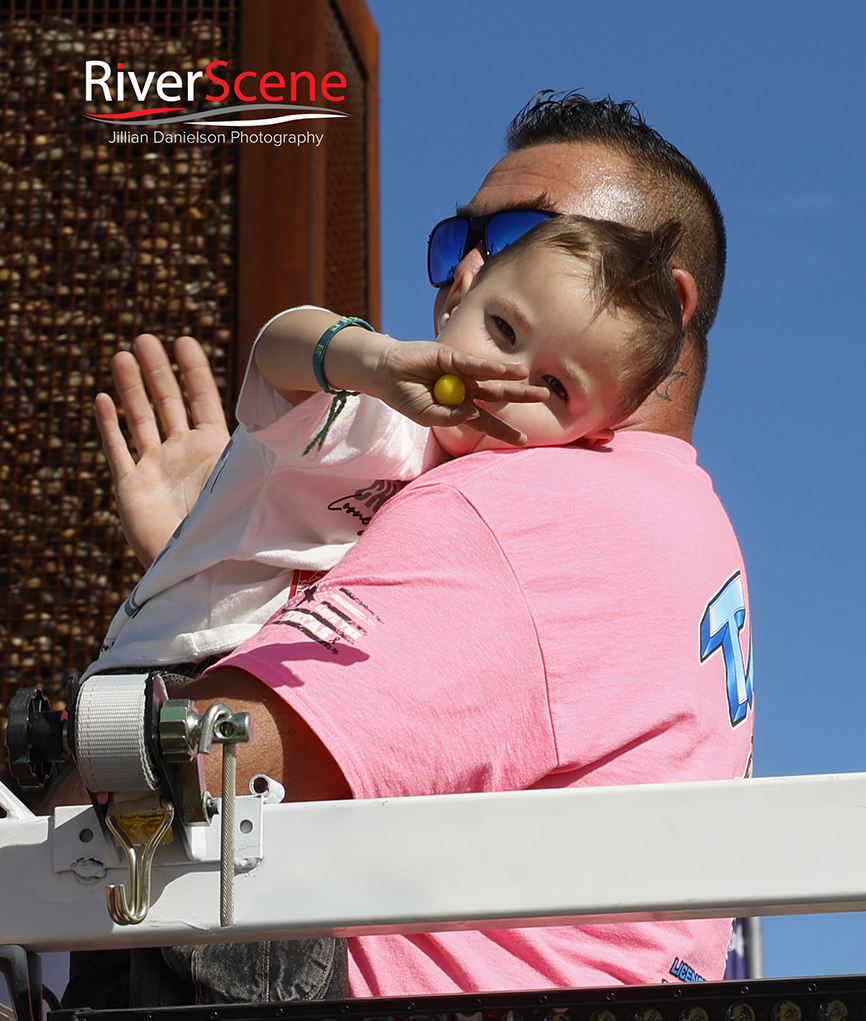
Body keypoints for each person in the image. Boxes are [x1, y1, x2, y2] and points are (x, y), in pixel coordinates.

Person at [84, 92, 753, 997]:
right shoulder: (678, 522)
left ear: (667, 305)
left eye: (522, 234)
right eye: (457, 241)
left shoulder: (524, 511)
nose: (470, 266)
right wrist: (225, 563)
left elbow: (199, 766)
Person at [88, 214, 684, 682]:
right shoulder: (381, 413)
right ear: (462, 291)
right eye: (502, 329)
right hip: (165, 670)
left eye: (554, 387)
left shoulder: (502, 509)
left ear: (594, 435)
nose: (503, 377)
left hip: (263, 698)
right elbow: (278, 354)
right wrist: (370, 360)